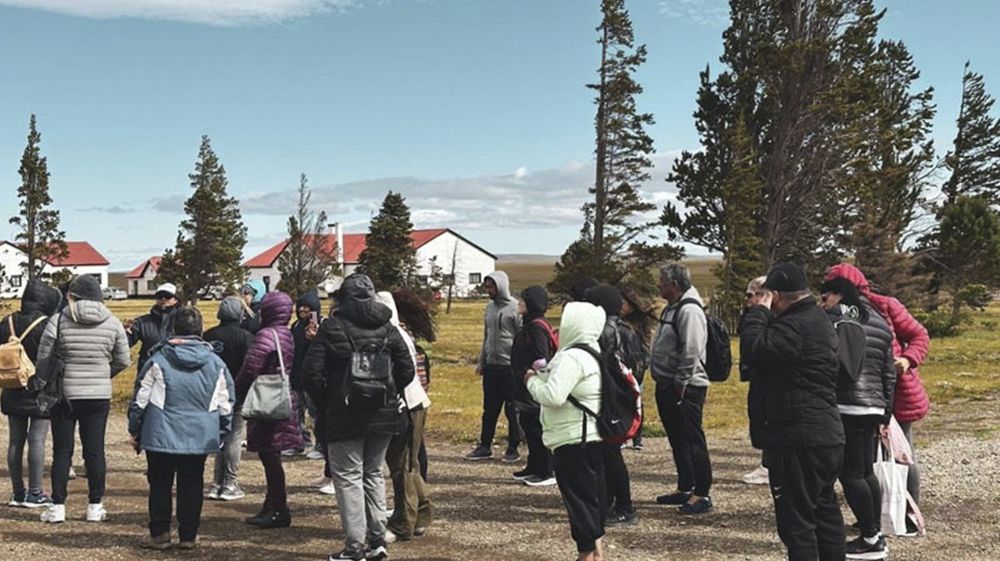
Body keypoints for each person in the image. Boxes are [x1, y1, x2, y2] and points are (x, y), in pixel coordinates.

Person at [302, 273, 414, 561]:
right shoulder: (388, 329)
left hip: (344, 413)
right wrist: (390, 392)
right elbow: (407, 369)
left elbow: (311, 374)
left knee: (349, 478)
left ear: (343, 297)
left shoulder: (332, 327)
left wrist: (328, 402)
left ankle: (354, 547)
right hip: (383, 412)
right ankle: (377, 540)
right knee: (373, 473)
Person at [740, 263, 847, 561]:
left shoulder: (794, 326)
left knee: (797, 525)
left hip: (798, 438)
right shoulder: (817, 319)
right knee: (825, 516)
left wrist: (758, 313)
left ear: (775, 295)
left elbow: (754, 349)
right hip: (824, 435)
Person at [825, 263, 929, 536]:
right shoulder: (850, 314)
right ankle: (875, 515)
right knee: (866, 463)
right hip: (875, 394)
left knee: (901, 457)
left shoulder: (886, 306)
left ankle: (907, 515)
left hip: (898, 393)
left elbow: (919, 334)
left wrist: (908, 359)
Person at [128, 306, 235, 550]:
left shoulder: (158, 359)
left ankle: (160, 534)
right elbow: (225, 403)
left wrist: (135, 428)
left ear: (173, 328)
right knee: (192, 483)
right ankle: (188, 536)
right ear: (200, 330)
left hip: (160, 432)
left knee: (159, 484)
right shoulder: (216, 363)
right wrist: (220, 433)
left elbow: (140, 399)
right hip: (199, 434)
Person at [36, 275, 131, 524]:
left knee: (62, 450)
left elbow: (44, 356)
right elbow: (123, 359)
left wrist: (46, 381)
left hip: (65, 393)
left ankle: (57, 506)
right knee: (95, 450)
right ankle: (95, 506)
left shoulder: (58, 320)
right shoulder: (113, 322)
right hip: (98, 394)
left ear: (71, 296)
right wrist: (103, 374)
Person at [820, 277, 896, 559]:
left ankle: (870, 539)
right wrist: (886, 413)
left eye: (825, 297)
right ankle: (874, 532)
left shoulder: (836, 319)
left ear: (838, 295)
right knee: (865, 472)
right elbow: (889, 373)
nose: (823, 303)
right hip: (874, 406)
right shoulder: (878, 321)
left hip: (847, 403)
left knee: (850, 474)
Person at [526, 301, 606, 561]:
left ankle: (584, 557)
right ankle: (597, 555)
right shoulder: (593, 350)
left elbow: (553, 395)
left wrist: (531, 381)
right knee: (591, 499)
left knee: (578, 503)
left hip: (573, 439)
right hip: (592, 435)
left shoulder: (572, 357)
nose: (560, 326)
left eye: (565, 320)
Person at [650, 262, 714, 514]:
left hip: (686, 387)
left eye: (662, 281)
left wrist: (681, 381)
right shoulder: (672, 307)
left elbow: (692, 349)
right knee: (678, 439)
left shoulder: (689, 310)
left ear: (674, 285)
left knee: (692, 439)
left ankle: (702, 494)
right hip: (668, 384)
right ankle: (685, 487)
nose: (659, 285)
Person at [234, 291, 302, 529]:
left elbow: (251, 368)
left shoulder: (265, 335)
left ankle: (278, 508)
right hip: (283, 395)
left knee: (269, 455)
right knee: (273, 455)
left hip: (267, 398)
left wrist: (234, 391)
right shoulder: (287, 333)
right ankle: (272, 504)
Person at [376, 290, 434, 543]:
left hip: (407, 405)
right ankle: (421, 514)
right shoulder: (400, 332)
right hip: (415, 402)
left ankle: (403, 523)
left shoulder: (390, 335)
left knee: (402, 466)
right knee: (411, 464)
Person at [585, 284, 645, 527]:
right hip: (616, 398)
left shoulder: (607, 331)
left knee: (610, 454)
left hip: (610, 399)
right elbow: (638, 367)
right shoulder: (624, 330)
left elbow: (624, 366)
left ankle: (624, 506)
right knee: (606, 453)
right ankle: (609, 501)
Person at [2, 279, 61, 508]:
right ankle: (35, 493)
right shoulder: (47, 324)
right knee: (37, 439)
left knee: (15, 441)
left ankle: (17, 493)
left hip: (11, 385)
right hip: (39, 388)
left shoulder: (6, 322)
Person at [466, 271, 522, 462]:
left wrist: (519, 365)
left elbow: (521, 338)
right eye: (486, 287)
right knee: (489, 408)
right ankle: (484, 446)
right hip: (491, 366)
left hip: (509, 367)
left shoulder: (515, 309)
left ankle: (513, 446)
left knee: (512, 408)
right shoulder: (489, 308)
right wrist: (482, 361)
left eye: (491, 287)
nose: (488, 290)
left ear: (501, 286)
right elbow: (486, 336)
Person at [203, 296, 254, 501]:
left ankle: (216, 483)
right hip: (237, 394)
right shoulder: (245, 337)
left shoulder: (208, 335)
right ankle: (230, 483)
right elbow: (249, 367)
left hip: (213, 394)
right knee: (234, 437)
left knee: (219, 437)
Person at [509, 285, 557, 487]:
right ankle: (533, 465)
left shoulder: (536, 327)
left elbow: (542, 357)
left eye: (522, 301)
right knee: (529, 426)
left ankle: (546, 470)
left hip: (532, 385)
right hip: (524, 383)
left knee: (537, 427)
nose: (519, 304)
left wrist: (534, 378)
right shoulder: (529, 325)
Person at [740, 276, 771, 486]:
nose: (747, 299)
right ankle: (767, 465)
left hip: (767, 379)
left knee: (768, 420)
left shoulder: (767, 317)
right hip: (757, 376)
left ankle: (768, 467)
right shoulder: (752, 316)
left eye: (751, 295)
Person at [287, 289, 323, 458]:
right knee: (296, 413)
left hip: (313, 377)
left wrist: (315, 339)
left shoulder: (322, 325)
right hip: (296, 376)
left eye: (306, 307)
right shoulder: (295, 326)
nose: (302, 310)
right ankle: (300, 443)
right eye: (300, 307)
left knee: (316, 413)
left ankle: (321, 445)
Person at [619, 285, 652, 451]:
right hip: (626, 364)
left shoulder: (638, 324)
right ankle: (626, 433)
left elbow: (646, 345)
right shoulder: (619, 323)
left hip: (637, 365)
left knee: (636, 397)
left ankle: (637, 436)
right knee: (624, 399)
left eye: (623, 302)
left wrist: (643, 363)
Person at [124, 282, 178, 372]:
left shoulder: (182, 321)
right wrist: (122, 333)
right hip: (148, 372)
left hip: (175, 371)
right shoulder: (142, 322)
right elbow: (125, 343)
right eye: (160, 296)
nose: (163, 299)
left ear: (175, 300)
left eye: (168, 296)